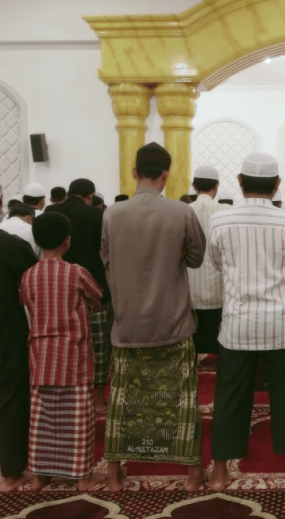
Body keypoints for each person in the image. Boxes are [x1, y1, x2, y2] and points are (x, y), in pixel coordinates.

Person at [207, 152, 285, 491]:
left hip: (238, 325)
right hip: (281, 325)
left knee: (229, 397)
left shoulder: (221, 221)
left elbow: (218, 263)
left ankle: (221, 475)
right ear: (277, 185)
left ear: (239, 182)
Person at [101, 142, 206, 492]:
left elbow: (107, 262)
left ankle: (115, 477)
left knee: (122, 403)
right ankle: (192, 478)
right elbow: (195, 259)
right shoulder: (180, 213)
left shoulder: (112, 214)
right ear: (166, 174)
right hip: (173, 325)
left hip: (127, 325)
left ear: (134, 172)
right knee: (183, 403)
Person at [20, 212, 105, 491]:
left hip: (41, 358)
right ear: (67, 241)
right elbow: (97, 298)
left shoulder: (28, 276)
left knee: (43, 421)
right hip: (74, 359)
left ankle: (39, 476)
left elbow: (28, 307)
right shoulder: (76, 272)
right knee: (78, 421)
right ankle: (83, 478)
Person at [45, 179, 112, 412]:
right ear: (90, 196)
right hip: (92, 286)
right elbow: (105, 251)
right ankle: (97, 399)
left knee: (60, 344)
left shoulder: (52, 211)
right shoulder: (95, 215)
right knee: (98, 346)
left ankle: (65, 400)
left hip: (56, 287)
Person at [0, 228, 38, 491]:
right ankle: (11, 472)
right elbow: (34, 283)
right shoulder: (11, 246)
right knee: (12, 395)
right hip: (6, 329)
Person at [188, 166, 226, 356]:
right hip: (219, 287)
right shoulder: (225, 211)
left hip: (190, 288)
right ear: (216, 186)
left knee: (194, 343)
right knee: (215, 343)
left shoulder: (185, 210)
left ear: (194, 186)